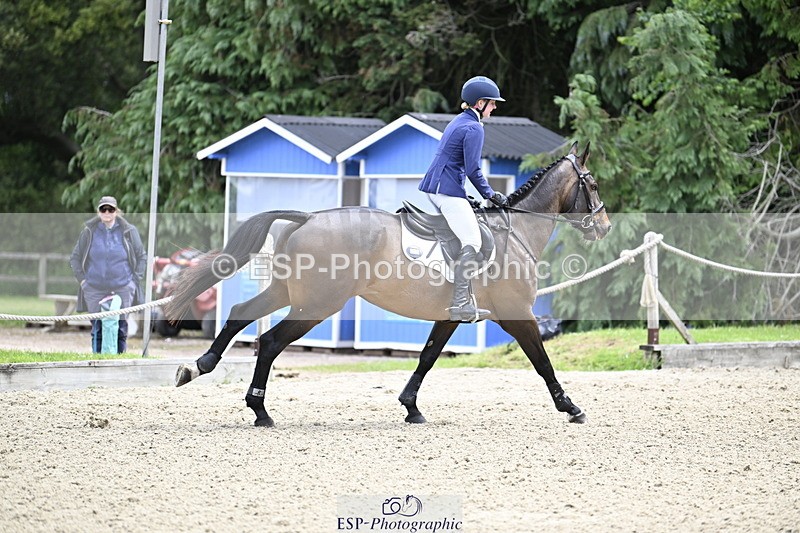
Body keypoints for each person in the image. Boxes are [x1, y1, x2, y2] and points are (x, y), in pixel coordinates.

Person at [418, 75, 509, 322]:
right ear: (480, 103)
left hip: (440, 187)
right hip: (445, 189)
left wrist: (465, 195)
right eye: (492, 103)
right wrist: (490, 195)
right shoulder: (474, 127)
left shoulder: (460, 120)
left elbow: (454, 163)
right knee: (473, 240)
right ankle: (459, 303)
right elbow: (472, 169)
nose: (495, 107)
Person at [69, 196, 146, 353]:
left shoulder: (129, 231)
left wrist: (134, 282)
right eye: (103, 209)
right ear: (98, 212)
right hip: (94, 287)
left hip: (123, 286)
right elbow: (75, 258)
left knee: (121, 328)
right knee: (97, 328)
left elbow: (142, 257)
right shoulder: (88, 232)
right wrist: (83, 282)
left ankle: (119, 360)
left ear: (116, 211)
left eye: (110, 209)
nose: (107, 212)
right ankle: (97, 361)